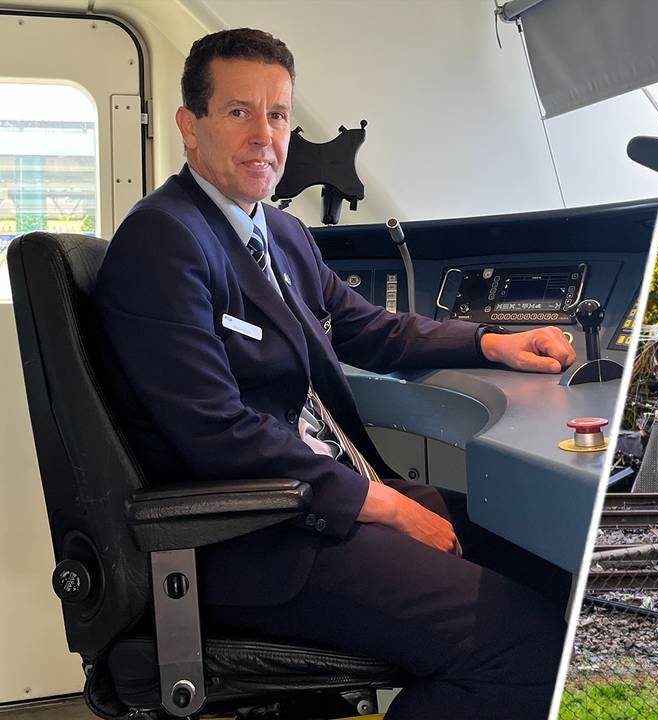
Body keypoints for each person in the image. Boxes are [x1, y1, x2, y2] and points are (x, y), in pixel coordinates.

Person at [93, 29, 574, 719]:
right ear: (189, 127)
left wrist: (491, 343)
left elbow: (366, 329)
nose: (265, 135)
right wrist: (387, 505)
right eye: (239, 112)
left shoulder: (278, 233)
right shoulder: (165, 239)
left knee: (553, 566)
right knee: (525, 653)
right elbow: (215, 434)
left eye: (279, 115)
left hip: (323, 508)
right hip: (255, 540)